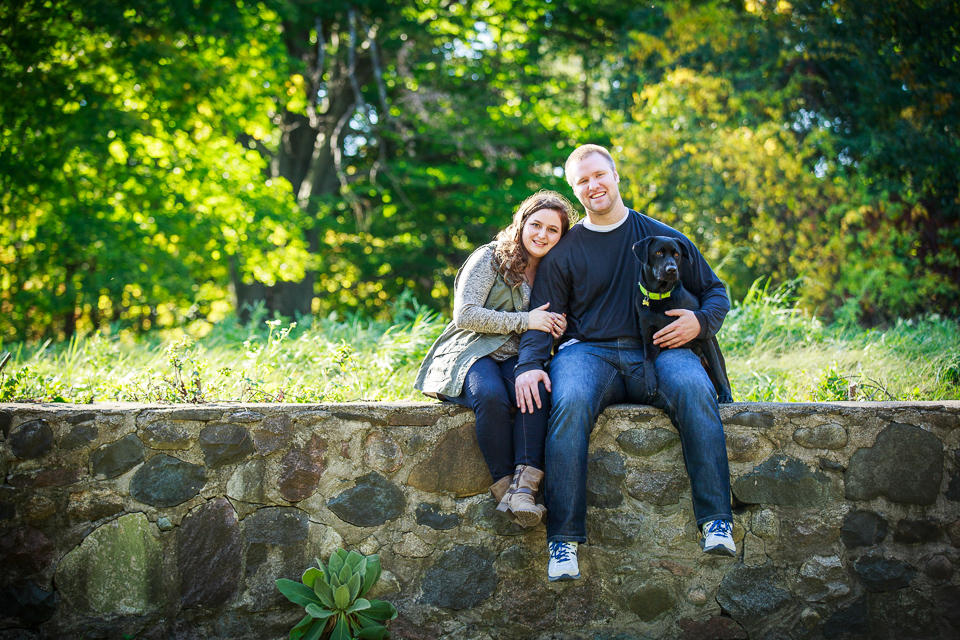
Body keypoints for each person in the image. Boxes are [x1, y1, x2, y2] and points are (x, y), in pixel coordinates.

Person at [515, 144, 735, 582]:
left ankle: (716, 521)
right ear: (575, 190)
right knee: (570, 400)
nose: (593, 185)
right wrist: (530, 365)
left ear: (615, 176)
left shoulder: (661, 237)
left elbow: (716, 291)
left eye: (599, 175)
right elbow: (543, 318)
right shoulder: (565, 251)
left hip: (661, 348)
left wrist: (699, 323)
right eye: (582, 181)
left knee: (695, 388)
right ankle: (563, 541)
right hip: (589, 352)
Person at [415, 190, 577, 526]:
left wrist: (557, 326)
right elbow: (466, 315)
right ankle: (507, 490)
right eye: (536, 225)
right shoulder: (490, 257)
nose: (541, 235)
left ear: (562, 237)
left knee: (535, 394)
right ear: (521, 223)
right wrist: (526, 320)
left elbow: (555, 321)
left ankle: (525, 489)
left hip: (517, 359)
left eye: (552, 230)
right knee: (490, 396)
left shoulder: (557, 270)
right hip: (473, 351)